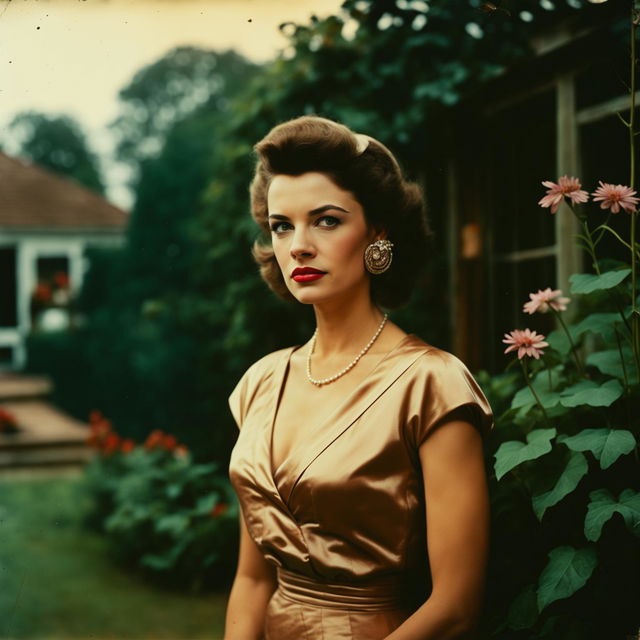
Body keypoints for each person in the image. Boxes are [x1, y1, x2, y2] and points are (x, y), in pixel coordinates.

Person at [223, 115, 494, 640]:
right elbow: (252, 582)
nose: (299, 245)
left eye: (326, 220)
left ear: (378, 232)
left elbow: (457, 606)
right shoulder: (259, 382)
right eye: (282, 225)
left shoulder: (432, 384)